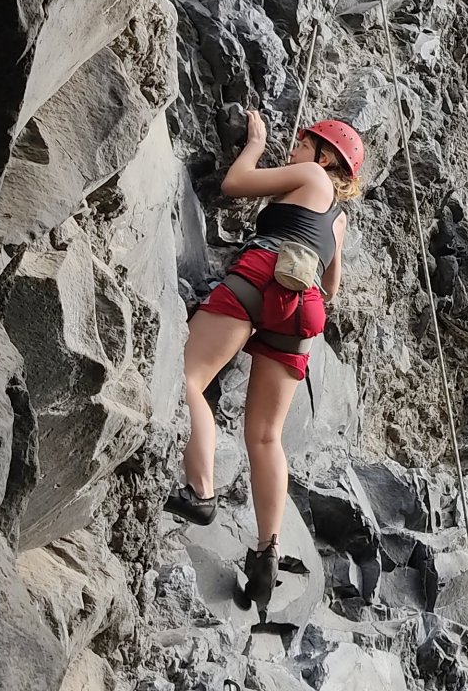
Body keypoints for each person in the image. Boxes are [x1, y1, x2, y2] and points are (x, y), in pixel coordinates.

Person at [163, 110, 364, 610]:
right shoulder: (338, 217)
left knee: (188, 377)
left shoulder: (311, 174)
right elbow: (332, 286)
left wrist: (255, 143)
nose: (295, 149)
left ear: (326, 157)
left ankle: (201, 493)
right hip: (303, 306)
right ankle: (267, 554)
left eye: (304, 143)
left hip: (263, 273)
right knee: (266, 436)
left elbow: (235, 184)